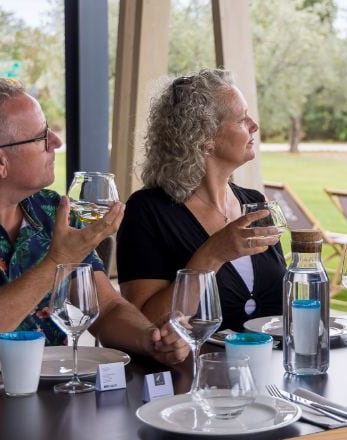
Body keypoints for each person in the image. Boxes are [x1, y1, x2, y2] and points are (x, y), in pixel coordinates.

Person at [0, 80, 188, 375]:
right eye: (42, 136)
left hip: (45, 400)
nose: (56, 143)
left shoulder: (48, 209)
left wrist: (151, 338)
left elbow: (105, 309)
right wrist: (57, 262)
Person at [116, 69, 285, 331]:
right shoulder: (148, 211)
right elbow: (143, 323)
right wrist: (213, 254)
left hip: (268, 366)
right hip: (192, 369)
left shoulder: (255, 204)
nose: (254, 125)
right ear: (205, 138)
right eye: (241, 119)